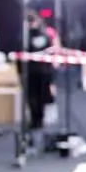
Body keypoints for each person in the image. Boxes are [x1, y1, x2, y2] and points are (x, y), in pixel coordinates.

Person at [22, 11, 55, 145]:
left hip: (34, 72)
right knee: (37, 98)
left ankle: (36, 120)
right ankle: (38, 120)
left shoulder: (26, 37)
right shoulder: (45, 35)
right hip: (42, 72)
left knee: (34, 98)